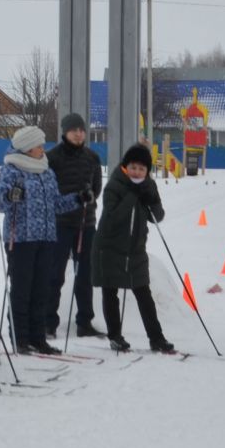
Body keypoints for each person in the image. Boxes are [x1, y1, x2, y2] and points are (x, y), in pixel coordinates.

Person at [0, 125, 84, 354]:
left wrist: (79, 199)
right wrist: (11, 196)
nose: (43, 149)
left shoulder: (46, 171)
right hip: (20, 238)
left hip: (46, 237)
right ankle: (20, 338)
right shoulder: (11, 170)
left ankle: (38, 337)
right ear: (26, 148)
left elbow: (56, 203)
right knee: (22, 289)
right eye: (38, 145)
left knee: (42, 288)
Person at [92, 145, 176, 354]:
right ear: (125, 167)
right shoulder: (114, 186)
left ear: (147, 171)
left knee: (143, 294)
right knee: (110, 291)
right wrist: (132, 196)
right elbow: (113, 218)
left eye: (141, 169)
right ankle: (115, 336)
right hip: (109, 248)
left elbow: (157, 216)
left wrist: (151, 200)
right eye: (133, 167)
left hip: (136, 250)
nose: (136, 172)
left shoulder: (148, 186)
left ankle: (157, 338)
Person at [48, 113, 104, 338]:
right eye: (74, 130)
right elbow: (50, 191)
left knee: (85, 274)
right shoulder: (53, 157)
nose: (79, 134)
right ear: (65, 132)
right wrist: (71, 198)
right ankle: (48, 321)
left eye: (81, 129)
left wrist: (89, 196)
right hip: (61, 224)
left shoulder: (92, 157)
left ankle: (84, 322)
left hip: (86, 223)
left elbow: (97, 187)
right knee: (55, 275)